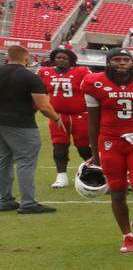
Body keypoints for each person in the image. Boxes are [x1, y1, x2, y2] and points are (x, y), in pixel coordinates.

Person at [82, 49, 133, 253]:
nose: (121, 63)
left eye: (126, 60)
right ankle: (127, 235)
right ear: (108, 62)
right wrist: (94, 153)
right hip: (109, 143)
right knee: (117, 192)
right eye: (116, 59)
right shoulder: (95, 83)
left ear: (132, 63)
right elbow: (93, 123)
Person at [0, 44, 59, 214]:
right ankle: (28, 203)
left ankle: (5, 199)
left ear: (7, 56)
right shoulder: (30, 77)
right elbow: (44, 107)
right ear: (26, 58)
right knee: (26, 162)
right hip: (22, 124)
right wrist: (56, 118)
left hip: (1, 122)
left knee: (4, 160)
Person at [37, 47, 92, 189]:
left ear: (71, 60)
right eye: (58, 57)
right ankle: (61, 177)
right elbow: (39, 92)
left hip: (80, 115)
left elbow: (93, 88)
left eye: (64, 58)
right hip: (57, 116)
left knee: (84, 147)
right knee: (59, 146)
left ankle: (95, 171)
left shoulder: (82, 71)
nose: (60, 60)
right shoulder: (45, 72)